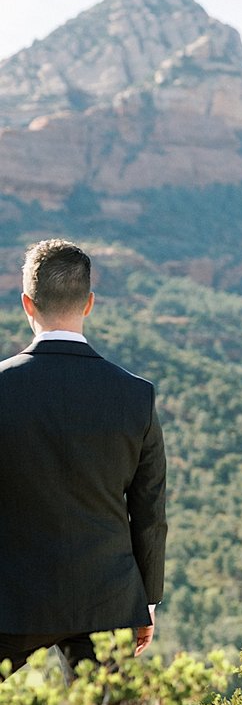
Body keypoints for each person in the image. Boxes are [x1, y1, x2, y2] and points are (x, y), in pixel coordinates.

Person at [0, 239, 167, 676]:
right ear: (89, 303)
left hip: (10, 598)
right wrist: (145, 600)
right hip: (106, 601)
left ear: (26, 304)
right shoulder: (136, 395)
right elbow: (149, 511)